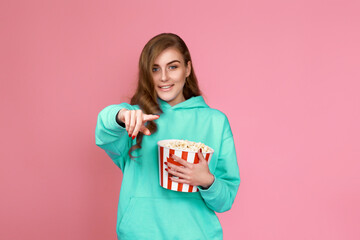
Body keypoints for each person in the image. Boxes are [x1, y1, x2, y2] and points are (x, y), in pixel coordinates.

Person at [95, 33, 240, 240]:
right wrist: (122, 116)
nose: (164, 77)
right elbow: (103, 129)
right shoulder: (137, 119)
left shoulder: (215, 122)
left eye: (173, 66)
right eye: (155, 69)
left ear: (187, 69)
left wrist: (207, 181)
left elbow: (225, 201)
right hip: (139, 234)